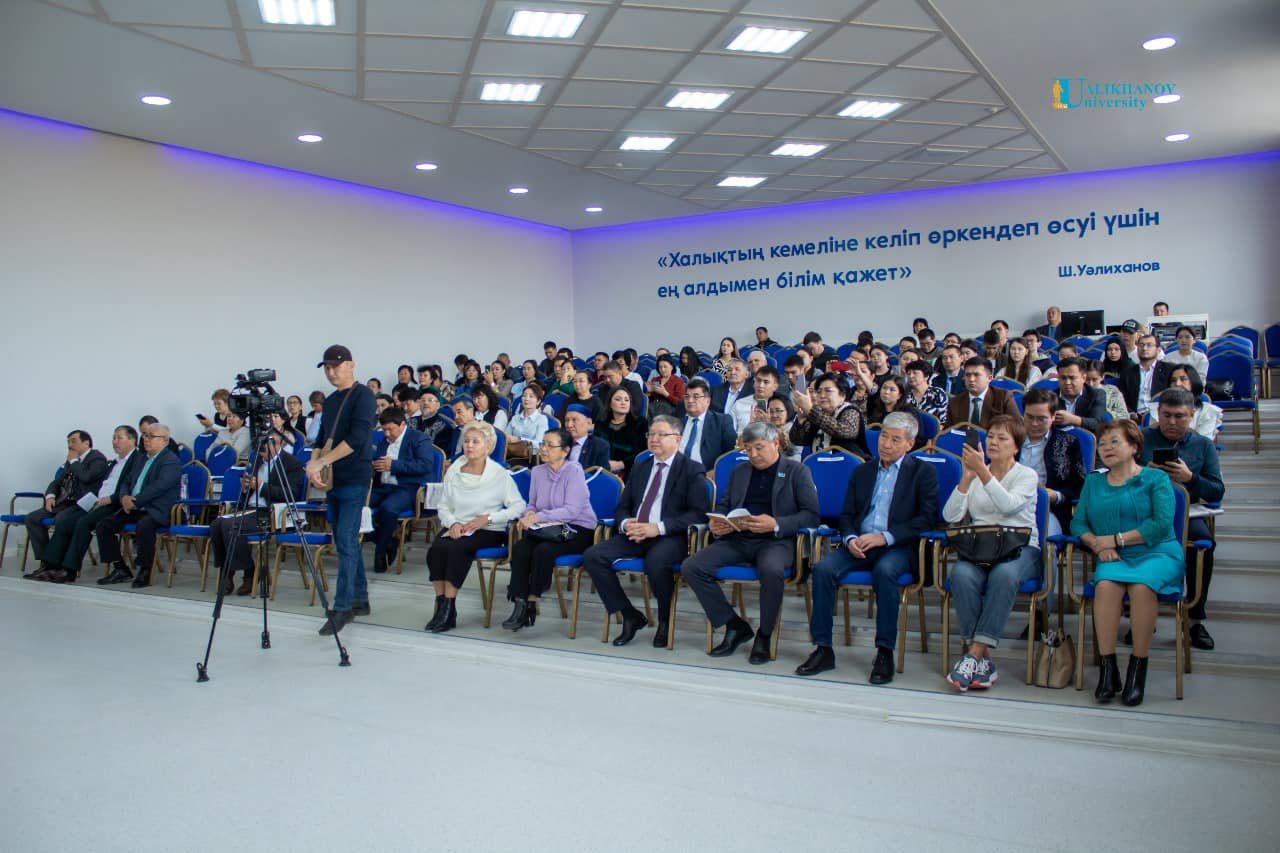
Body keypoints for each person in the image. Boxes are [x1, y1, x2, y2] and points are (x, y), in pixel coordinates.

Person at [796, 412, 938, 684]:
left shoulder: (923, 473)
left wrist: (885, 537)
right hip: (859, 543)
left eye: (895, 440)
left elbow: (926, 519)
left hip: (898, 546)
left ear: (910, 444)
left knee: (885, 572)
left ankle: (884, 651)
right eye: (883, 436)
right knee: (823, 569)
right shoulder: (862, 470)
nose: (886, 444)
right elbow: (847, 515)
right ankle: (823, 648)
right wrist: (850, 538)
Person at [682, 421, 819, 665]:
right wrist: (718, 522)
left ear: (776, 443)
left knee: (771, 569)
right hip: (738, 537)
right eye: (748, 449)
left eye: (759, 448)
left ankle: (764, 635)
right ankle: (734, 625)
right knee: (692, 567)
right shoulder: (740, 471)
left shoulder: (797, 471)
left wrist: (776, 523)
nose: (753, 455)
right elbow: (724, 505)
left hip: (776, 540)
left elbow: (811, 515)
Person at [1072, 419, 1185, 706]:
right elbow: (1078, 523)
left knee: (1141, 587)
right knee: (1105, 586)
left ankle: (1137, 670)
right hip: (1113, 554)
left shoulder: (1156, 479)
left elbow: (1160, 525)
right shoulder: (1094, 482)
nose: (1106, 448)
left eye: (1115, 442)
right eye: (1102, 443)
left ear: (1134, 447)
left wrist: (1115, 540)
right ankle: (1108, 671)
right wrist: (1097, 545)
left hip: (1157, 552)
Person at [582, 415, 710, 647]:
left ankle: (665, 620)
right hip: (635, 533)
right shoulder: (641, 466)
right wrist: (625, 523)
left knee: (656, 562)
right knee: (593, 556)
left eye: (661, 434)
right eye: (651, 434)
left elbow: (699, 514)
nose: (654, 439)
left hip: (670, 536)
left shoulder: (691, 469)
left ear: (677, 439)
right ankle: (629, 615)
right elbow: (623, 506)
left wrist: (657, 528)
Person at [942, 415, 1041, 692]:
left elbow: (1008, 506)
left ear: (1016, 446)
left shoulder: (1026, 475)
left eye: (1002, 438)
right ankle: (982, 662)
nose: (994, 442)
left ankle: (973, 654)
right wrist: (966, 479)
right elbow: (950, 516)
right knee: (961, 575)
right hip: (981, 548)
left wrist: (982, 474)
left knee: (1004, 576)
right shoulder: (976, 473)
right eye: (992, 436)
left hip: (1020, 547)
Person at [1139, 387, 1224, 651]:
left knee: (1202, 546)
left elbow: (1217, 491)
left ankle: (1195, 620)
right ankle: (1142, 616)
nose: (1172, 422)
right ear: (1158, 413)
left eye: (1180, 416)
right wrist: (1142, 473)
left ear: (1191, 416)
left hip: (1186, 512)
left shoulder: (1202, 445)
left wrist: (1190, 478)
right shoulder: (1141, 438)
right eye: (1166, 415)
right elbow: (1114, 475)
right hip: (1143, 512)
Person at [425, 421, 526, 633]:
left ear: (488, 447)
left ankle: (449, 607)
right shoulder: (454, 469)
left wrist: (488, 518)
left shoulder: (499, 474)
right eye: (466, 441)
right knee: (437, 548)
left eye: (475, 442)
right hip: (457, 526)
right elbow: (443, 506)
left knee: (456, 548)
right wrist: (453, 523)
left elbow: (518, 507)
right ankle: (441, 605)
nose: (469, 445)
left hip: (487, 530)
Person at [305, 345, 376, 636]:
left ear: (351, 365)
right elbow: (322, 438)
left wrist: (323, 461)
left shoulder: (364, 396)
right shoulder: (331, 401)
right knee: (345, 540)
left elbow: (358, 438)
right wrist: (313, 465)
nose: (331, 372)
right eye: (327, 367)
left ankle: (343, 606)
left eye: (336, 366)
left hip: (355, 477)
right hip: (332, 479)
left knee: (346, 541)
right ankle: (360, 599)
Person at [502, 428, 597, 632]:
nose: (544, 449)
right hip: (547, 529)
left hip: (577, 529)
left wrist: (538, 517)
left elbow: (571, 511)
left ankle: (532, 600)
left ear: (565, 451)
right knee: (520, 548)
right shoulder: (537, 472)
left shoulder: (574, 471)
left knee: (543, 551)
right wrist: (529, 514)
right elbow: (532, 504)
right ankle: (519, 602)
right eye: (542, 444)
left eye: (550, 445)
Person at [28, 426, 144, 584]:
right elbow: (61, 482)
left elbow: (131, 486)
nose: (114, 441)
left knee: (83, 523)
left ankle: (69, 570)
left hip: (114, 503)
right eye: (113, 437)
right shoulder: (115, 462)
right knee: (65, 521)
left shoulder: (137, 460)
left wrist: (110, 499)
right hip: (96, 500)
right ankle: (51, 565)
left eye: (119, 438)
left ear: (132, 440)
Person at [209, 430, 305, 596]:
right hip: (249, 509)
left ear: (277, 445)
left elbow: (291, 494)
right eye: (259, 450)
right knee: (216, 524)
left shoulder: (291, 463)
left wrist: (261, 486)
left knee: (230, 525)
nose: (261, 454)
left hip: (271, 513)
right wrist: (246, 487)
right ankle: (234, 572)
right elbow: (247, 492)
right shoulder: (256, 461)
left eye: (264, 450)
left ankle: (246, 574)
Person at [95, 423, 181, 589]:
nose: (146, 439)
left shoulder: (171, 461)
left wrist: (134, 501)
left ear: (164, 440)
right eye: (145, 436)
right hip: (134, 506)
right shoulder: (141, 458)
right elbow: (126, 481)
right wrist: (124, 497)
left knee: (144, 526)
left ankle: (145, 570)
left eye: (151, 436)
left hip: (156, 509)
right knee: (104, 525)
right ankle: (120, 568)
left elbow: (159, 487)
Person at [23, 430, 109, 570]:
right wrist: (50, 496)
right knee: (32, 518)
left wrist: (74, 461)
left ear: (86, 443)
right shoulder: (71, 461)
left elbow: (86, 477)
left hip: (81, 504)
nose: (70, 445)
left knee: (62, 519)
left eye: (73, 441)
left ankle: (57, 562)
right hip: (63, 502)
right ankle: (46, 561)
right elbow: (57, 482)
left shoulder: (97, 459)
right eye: (68, 442)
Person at [369, 408, 436, 574]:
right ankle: (387, 541)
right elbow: (378, 462)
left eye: (390, 429)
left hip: (409, 487)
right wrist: (373, 465)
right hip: (383, 487)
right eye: (384, 429)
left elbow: (425, 465)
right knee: (356, 504)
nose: (387, 434)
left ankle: (380, 553)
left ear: (403, 425)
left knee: (387, 509)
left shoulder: (419, 438)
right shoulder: (384, 441)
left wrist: (393, 465)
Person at [1018, 389, 1087, 538]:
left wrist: (1057, 495)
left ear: (1053, 417)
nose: (1034, 423)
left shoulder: (1067, 443)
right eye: (1029, 417)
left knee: (1040, 538)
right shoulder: (1011, 439)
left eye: (1041, 419)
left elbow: (1079, 484)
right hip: (1011, 505)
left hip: (1050, 509)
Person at [790, 372, 865, 455]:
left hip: (849, 460)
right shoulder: (817, 413)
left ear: (842, 395)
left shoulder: (851, 410)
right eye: (819, 392)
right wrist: (801, 419)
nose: (822, 395)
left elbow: (844, 431)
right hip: (820, 460)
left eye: (828, 391)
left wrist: (810, 410)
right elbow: (797, 440)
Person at [947, 357, 1019, 430]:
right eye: (968, 375)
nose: (971, 379)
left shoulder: (1003, 398)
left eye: (977, 375)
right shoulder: (955, 402)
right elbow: (947, 432)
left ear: (989, 378)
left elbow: (1017, 427)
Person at [679, 377, 735, 467]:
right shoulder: (677, 423)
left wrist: (715, 471)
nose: (690, 400)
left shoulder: (721, 422)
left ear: (707, 401)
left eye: (696, 397)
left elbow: (731, 454)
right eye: (687, 396)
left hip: (706, 472)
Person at [597, 384, 647, 478]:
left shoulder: (640, 423)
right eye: (618, 399)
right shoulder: (601, 424)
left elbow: (644, 452)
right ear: (610, 403)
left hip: (630, 470)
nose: (623, 403)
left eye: (626, 400)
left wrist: (621, 464)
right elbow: (595, 449)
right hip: (601, 469)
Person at [1120, 334, 1175, 416]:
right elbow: (1122, 399)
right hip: (1134, 417)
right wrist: (1131, 413)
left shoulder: (1169, 370)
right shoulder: (1127, 373)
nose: (1144, 348)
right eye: (1141, 345)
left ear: (1158, 350)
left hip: (1160, 416)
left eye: (1149, 345)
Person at [1166, 364, 1223, 440]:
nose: (1177, 384)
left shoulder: (1207, 411)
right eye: (1173, 381)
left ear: (1193, 382)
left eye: (1183, 379)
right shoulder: (1159, 409)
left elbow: (1202, 442)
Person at [1052, 357, 1108, 432]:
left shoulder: (1096, 395)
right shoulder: (1051, 397)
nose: (1067, 382)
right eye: (1063, 378)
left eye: (1072, 378)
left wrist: (1073, 419)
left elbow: (1097, 424)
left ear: (1084, 378)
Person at [506, 383, 551, 463]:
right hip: (511, 454)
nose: (526, 399)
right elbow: (506, 437)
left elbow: (540, 443)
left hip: (531, 458)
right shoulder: (515, 418)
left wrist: (519, 439)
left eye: (531, 396)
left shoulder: (542, 419)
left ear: (538, 401)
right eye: (524, 396)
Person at [730, 365, 783, 434]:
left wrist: (770, 424)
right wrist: (750, 425)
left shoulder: (782, 406)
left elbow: (787, 436)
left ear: (775, 386)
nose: (761, 385)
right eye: (758, 380)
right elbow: (730, 434)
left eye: (766, 382)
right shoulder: (739, 404)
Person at [563, 404, 611, 470]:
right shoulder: (560, 441)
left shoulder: (600, 446)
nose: (569, 425)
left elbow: (601, 474)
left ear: (588, 423)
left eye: (574, 420)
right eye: (567, 420)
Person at [903, 361, 949, 427]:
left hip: (935, 431)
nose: (911, 376)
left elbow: (943, 421)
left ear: (926, 376)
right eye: (908, 373)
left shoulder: (938, 393)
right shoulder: (905, 395)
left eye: (915, 373)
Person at [765, 393, 801, 461]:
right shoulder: (766, 429)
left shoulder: (795, 429)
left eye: (778, 411)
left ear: (788, 411)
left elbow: (793, 452)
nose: (774, 415)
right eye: (771, 411)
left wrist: (783, 442)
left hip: (790, 465)